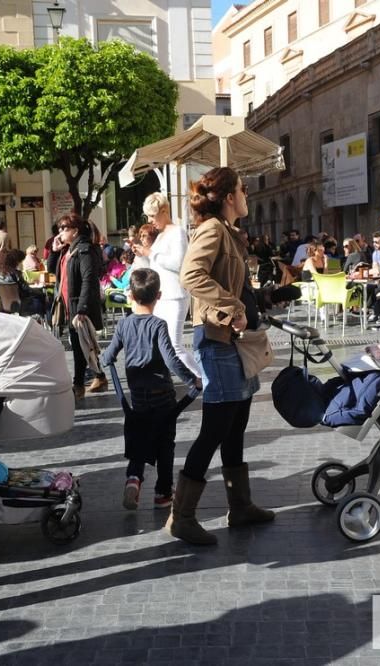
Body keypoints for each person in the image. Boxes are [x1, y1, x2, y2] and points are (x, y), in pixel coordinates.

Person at [172, 166, 274, 546]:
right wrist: (232, 306)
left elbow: (233, 283)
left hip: (234, 342)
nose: (247, 195)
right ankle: (181, 517)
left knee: (235, 425)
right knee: (215, 428)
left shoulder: (230, 233)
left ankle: (240, 506)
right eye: (243, 189)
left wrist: (262, 299)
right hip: (216, 341)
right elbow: (191, 275)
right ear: (229, 196)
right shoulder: (213, 229)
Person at [101, 268, 200, 510]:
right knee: (165, 445)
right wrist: (192, 380)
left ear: (131, 296)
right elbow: (171, 360)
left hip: (138, 399)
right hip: (162, 398)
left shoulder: (123, 325)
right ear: (160, 295)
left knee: (139, 440)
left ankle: (134, 479)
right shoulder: (158, 325)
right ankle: (163, 493)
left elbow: (109, 356)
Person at [52, 213, 108, 400]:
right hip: (70, 304)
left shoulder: (84, 250)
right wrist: (54, 251)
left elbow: (89, 279)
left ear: (75, 231)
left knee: (79, 346)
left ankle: (78, 386)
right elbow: (55, 272)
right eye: (60, 228)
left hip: (79, 305)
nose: (60, 232)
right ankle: (99, 377)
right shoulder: (67, 250)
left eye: (64, 228)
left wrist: (83, 308)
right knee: (84, 344)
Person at [145, 191, 200, 378]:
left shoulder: (177, 232)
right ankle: (169, 378)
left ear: (164, 211)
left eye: (152, 215)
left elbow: (178, 263)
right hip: (161, 296)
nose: (151, 220)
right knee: (162, 343)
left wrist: (151, 254)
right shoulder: (161, 236)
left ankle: (200, 377)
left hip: (175, 295)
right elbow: (157, 265)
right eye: (148, 216)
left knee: (174, 345)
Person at [0, 248, 44, 317]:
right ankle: (49, 324)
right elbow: (27, 291)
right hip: (22, 306)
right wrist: (41, 291)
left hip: (4, 308)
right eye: (18, 262)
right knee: (44, 300)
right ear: (13, 262)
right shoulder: (16, 274)